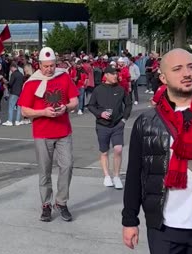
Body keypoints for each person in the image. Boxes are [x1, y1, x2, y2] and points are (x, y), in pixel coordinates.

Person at [122, 48, 192, 254]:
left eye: (191, 67)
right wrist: (130, 220)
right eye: (177, 69)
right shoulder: (146, 123)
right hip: (164, 226)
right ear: (163, 77)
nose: (186, 73)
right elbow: (136, 174)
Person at [18, 47, 79, 222]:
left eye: (52, 65)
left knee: (67, 166)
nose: (49, 69)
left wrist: (65, 107)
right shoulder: (31, 83)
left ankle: (61, 201)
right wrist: (43, 112)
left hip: (63, 131)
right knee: (44, 171)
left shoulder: (64, 76)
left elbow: (74, 100)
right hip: (42, 133)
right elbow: (25, 110)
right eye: (46, 66)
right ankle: (46, 204)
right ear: (39, 65)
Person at [88, 66, 132, 189]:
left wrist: (124, 119)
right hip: (102, 125)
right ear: (106, 75)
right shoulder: (98, 90)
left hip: (118, 124)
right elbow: (91, 105)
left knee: (118, 149)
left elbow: (128, 104)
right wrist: (100, 114)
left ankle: (117, 176)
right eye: (113, 74)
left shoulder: (121, 89)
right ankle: (107, 176)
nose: (116, 76)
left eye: (116, 74)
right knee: (104, 151)